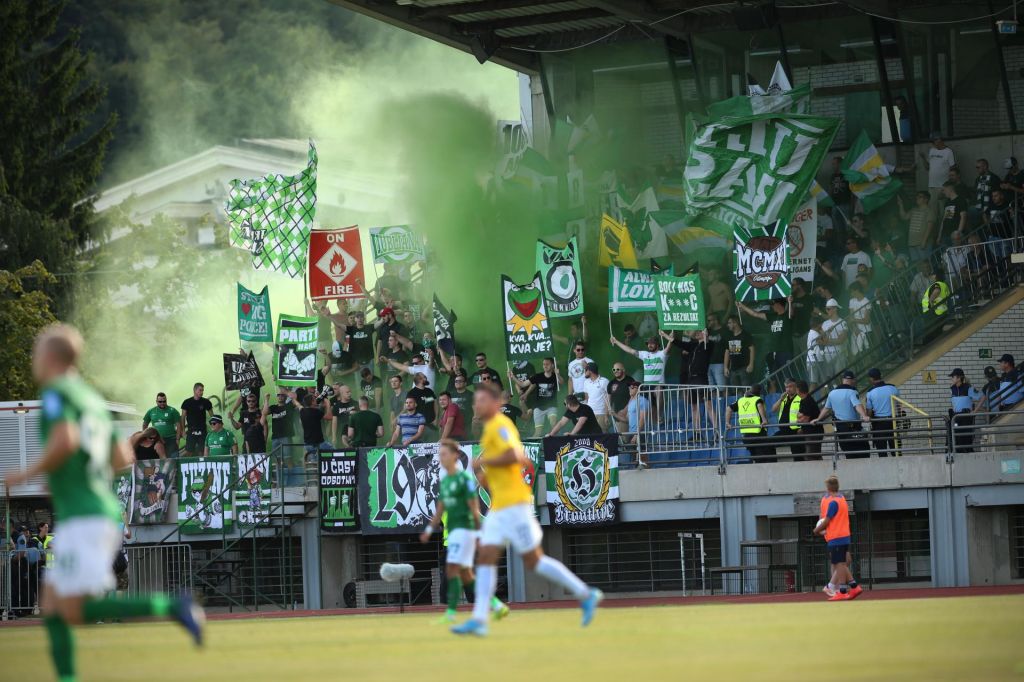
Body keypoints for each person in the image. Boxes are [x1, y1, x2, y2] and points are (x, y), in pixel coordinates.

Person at [3, 325, 203, 681]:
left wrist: (23, 474)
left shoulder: (56, 393)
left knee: (74, 608)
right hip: (97, 511)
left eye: (37, 352)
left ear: (51, 357)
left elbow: (64, 442)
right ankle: (67, 677)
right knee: (53, 604)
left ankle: (171, 606)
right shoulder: (91, 400)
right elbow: (118, 458)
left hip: (84, 516)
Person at [451, 384, 602, 636]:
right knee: (487, 557)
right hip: (501, 505)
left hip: (514, 505)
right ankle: (479, 618)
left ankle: (587, 594)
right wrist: (480, 472)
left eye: (481, 400)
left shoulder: (501, 426)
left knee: (534, 561)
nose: (477, 404)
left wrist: (485, 461)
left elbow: (518, 457)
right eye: (476, 400)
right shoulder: (490, 430)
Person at [420, 440, 508, 624]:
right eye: (440, 454)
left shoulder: (464, 480)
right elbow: (441, 509)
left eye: (444, 454)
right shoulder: (446, 481)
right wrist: (429, 528)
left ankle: (450, 613)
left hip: (463, 534)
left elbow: (473, 509)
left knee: (452, 573)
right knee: (466, 575)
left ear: (454, 456)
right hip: (452, 537)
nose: (441, 458)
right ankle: (497, 605)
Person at [814, 475, 862, 600]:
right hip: (844, 535)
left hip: (835, 535)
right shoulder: (842, 499)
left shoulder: (832, 501)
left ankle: (838, 589)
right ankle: (850, 586)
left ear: (828, 488)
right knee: (842, 562)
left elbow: (826, 519)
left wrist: (817, 530)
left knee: (839, 563)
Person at [813, 370, 870, 458]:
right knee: (863, 451)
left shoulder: (832, 393)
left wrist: (818, 419)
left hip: (841, 429)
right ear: (853, 380)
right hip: (854, 428)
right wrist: (865, 416)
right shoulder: (852, 392)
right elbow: (857, 405)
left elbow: (826, 408)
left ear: (843, 380)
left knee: (848, 452)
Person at [737, 298, 792, 375]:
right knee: (773, 378)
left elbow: (791, 313)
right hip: (773, 351)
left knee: (787, 376)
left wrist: (789, 302)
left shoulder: (787, 315)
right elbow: (755, 314)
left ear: (779, 304)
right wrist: (742, 306)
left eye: (773, 304)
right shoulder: (772, 316)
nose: (772, 306)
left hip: (785, 351)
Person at [509, 357, 560, 437]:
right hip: (538, 407)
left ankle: (554, 441)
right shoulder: (538, 376)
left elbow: (561, 382)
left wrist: (558, 374)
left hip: (551, 405)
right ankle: (532, 446)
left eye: (547, 364)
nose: (545, 366)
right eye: (544, 364)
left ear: (552, 365)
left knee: (553, 424)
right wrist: (513, 377)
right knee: (538, 432)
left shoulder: (555, 376)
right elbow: (523, 384)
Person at [725, 384, 774, 462]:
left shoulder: (741, 400)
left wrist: (727, 422)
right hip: (758, 434)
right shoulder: (757, 399)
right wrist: (764, 420)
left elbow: (728, 408)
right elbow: (759, 406)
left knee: (754, 455)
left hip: (746, 435)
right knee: (762, 457)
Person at [864, 368, 900, 456]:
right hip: (893, 422)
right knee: (896, 451)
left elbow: (868, 413)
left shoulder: (870, 393)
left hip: (879, 424)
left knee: (882, 451)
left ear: (872, 379)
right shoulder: (893, 388)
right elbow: (899, 406)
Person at [922, 132, 955, 222]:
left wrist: (948, 186)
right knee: (932, 212)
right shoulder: (932, 150)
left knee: (944, 212)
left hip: (943, 187)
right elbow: (927, 167)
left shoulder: (948, 152)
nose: (932, 144)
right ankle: (935, 233)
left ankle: (944, 231)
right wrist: (923, 159)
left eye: (933, 142)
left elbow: (953, 169)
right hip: (932, 186)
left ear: (939, 140)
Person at [948, 369, 980, 453]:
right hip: (956, 417)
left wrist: (975, 411)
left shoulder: (968, 388)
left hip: (966, 417)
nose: (951, 379)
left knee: (966, 439)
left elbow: (982, 397)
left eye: (953, 377)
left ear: (958, 378)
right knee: (956, 439)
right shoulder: (952, 389)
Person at [142, 393, 181, 458]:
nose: (162, 403)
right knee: (158, 460)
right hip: (157, 440)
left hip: (171, 439)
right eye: (160, 401)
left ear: (166, 400)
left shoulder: (173, 411)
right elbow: (144, 424)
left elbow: (179, 426)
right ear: (156, 401)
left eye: (164, 401)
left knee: (174, 460)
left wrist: (177, 439)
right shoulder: (151, 411)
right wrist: (145, 437)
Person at [899, 191, 934, 262]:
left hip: (922, 244)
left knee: (926, 264)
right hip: (912, 243)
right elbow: (904, 217)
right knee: (917, 265)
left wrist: (924, 241)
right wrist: (901, 205)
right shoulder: (913, 210)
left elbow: (929, 227)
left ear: (926, 199)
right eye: (917, 196)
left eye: (920, 197)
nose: (917, 198)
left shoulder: (929, 211)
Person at [771, 379, 802, 458]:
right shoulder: (783, 398)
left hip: (795, 431)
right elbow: (773, 410)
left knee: (797, 454)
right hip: (783, 430)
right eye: (786, 387)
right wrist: (780, 399)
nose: (788, 389)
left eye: (790, 386)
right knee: (769, 443)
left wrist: (802, 429)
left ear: (796, 387)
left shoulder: (800, 398)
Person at [180, 383, 213, 457]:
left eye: (203, 390)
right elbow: (182, 417)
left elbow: (212, 416)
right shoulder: (187, 402)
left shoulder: (206, 402)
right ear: (195, 390)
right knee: (189, 452)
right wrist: (183, 431)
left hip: (203, 430)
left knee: (202, 451)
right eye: (200, 390)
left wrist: (214, 427)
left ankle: (203, 466)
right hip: (191, 430)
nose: (202, 392)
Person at [795, 380, 824, 460]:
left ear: (799, 390)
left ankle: (816, 471)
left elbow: (805, 419)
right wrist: (800, 417)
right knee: (815, 455)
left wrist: (799, 420)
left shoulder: (807, 401)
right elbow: (799, 414)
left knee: (811, 456)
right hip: (811, 432)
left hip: (814, 432)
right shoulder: (804, 400)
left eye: (796, 389)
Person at [299, 393, 333, 461]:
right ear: (312, 402)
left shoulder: (302, 411)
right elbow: (330, 417)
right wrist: (328, 404)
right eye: (315, 399)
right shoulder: (316, 412)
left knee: (314, 463)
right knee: (333, 452)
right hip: (319, 443)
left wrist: (321, 405)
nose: (316, 400)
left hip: (308, 444)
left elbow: (300, 406)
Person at [723, 316, 754, 386]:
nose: (728, 325)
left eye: (729, 323)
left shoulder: (745, 335)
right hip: (733, 369)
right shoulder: (729, 336)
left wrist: (751, 364)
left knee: (746, 388)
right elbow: (727, 352)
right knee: (736, 390)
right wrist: (725, 367)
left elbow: (752, 349)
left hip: (744, 367)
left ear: (735, 323)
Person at [406, 372, 438, 441]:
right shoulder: (411, 393)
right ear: (419, 380)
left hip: (431, 425)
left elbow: (435, 405)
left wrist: (436, 419)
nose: (426, 378)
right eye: (424, 377)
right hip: (418, 427)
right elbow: (409, 409)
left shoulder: (429, 391)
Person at [580, 362, 610, 432]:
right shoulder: (586, 382)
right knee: (591, 436)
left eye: (586, 370)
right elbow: (586, 399)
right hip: (590, 414)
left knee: (603, 435)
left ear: (590, 371)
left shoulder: (604, 381)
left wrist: (606, 415)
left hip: (601, 413)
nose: (584, 372)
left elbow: (608, 400)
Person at [937, 180, 968, 247]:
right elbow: (944, 219)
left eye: (944, 190)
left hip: (955, 234)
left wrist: (958, 232)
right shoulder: (947, 202)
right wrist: (939, 235)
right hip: (945, 234)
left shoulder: (961, 200)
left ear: (949, 189)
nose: (943, 192)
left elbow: (963, 217)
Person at [606, 362, 634, 434]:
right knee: (622, 439)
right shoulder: (611, 383)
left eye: (618, 369)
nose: (615, 371)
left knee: (628, 438)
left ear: (623, 370)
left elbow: (634, 397)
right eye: (614, 369)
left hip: (629, 414)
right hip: (617, 416)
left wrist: (625, 410)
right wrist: (606, 416)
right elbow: (608, 400)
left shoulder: (630, 381)